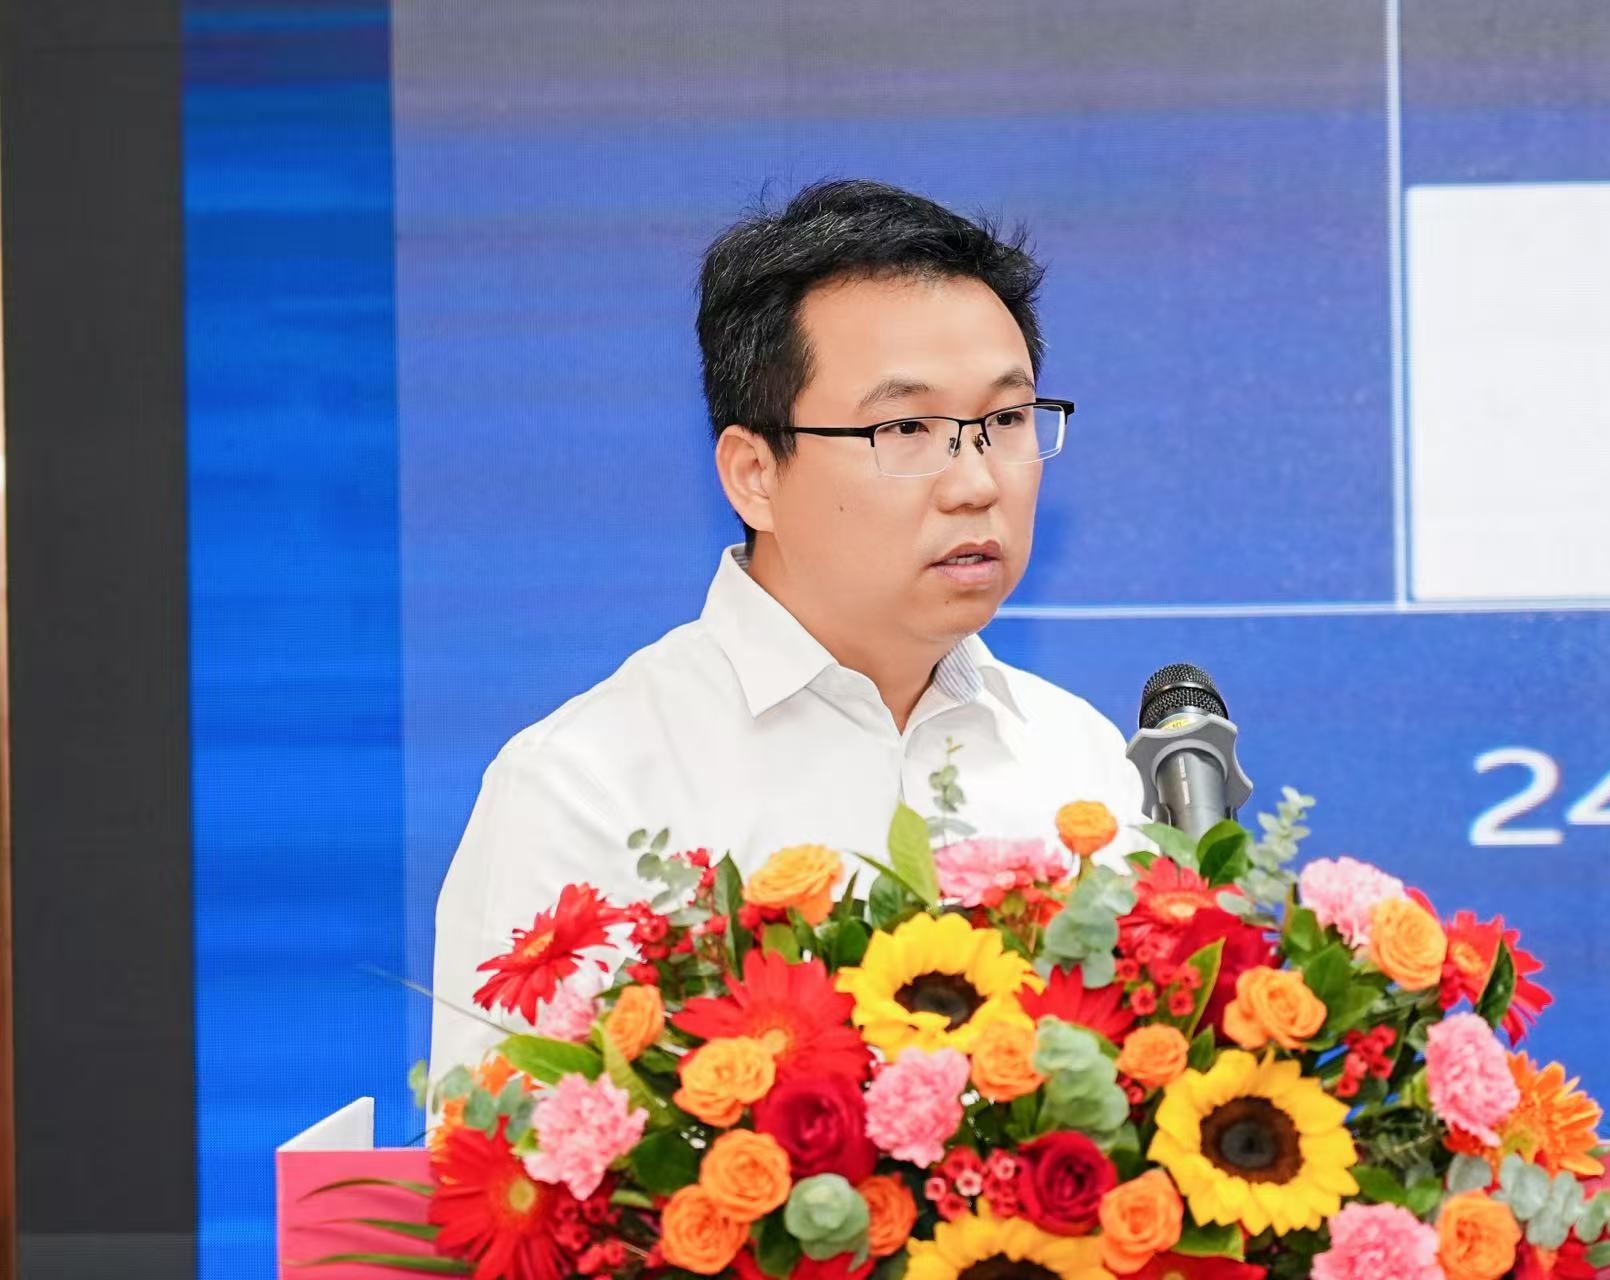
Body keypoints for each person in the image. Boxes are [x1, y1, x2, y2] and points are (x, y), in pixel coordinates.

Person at [428, 178, 1147, 1084]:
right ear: (754, 474)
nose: (976, 483)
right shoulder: (587, 791)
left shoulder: (1077, 760)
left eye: (1004, 420)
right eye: (907, 426)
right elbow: (498, 1145)